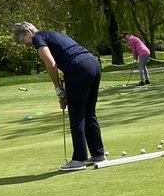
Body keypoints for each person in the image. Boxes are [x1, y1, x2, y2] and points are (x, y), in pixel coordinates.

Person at [13, 22, 107, 172]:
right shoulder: (52, 34)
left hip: (78, 69)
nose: (26, 45)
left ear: (27, 31)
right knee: (89, 113)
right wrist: (65, 92)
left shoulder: (37, 38)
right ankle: (98, 154)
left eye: (23, 41)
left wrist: (58, 88)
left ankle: (79, 159)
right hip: (92, 64)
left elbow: (51, 64)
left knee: (76, 115)